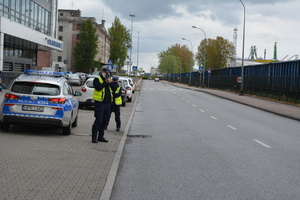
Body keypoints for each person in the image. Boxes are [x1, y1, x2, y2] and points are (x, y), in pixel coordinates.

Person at [91, 68, 116, 143]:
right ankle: (94, 137)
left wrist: (109, 82)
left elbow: (114, 89)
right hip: (100, 103)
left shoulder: (110, 80)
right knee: (99, 120)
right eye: (105, 72)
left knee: (105, 121)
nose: (106, 73)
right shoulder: (97, 79)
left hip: (108, 104)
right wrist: (105, 82)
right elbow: (98, 88)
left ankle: (101, 136)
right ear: (102, 72)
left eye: (108, 72)